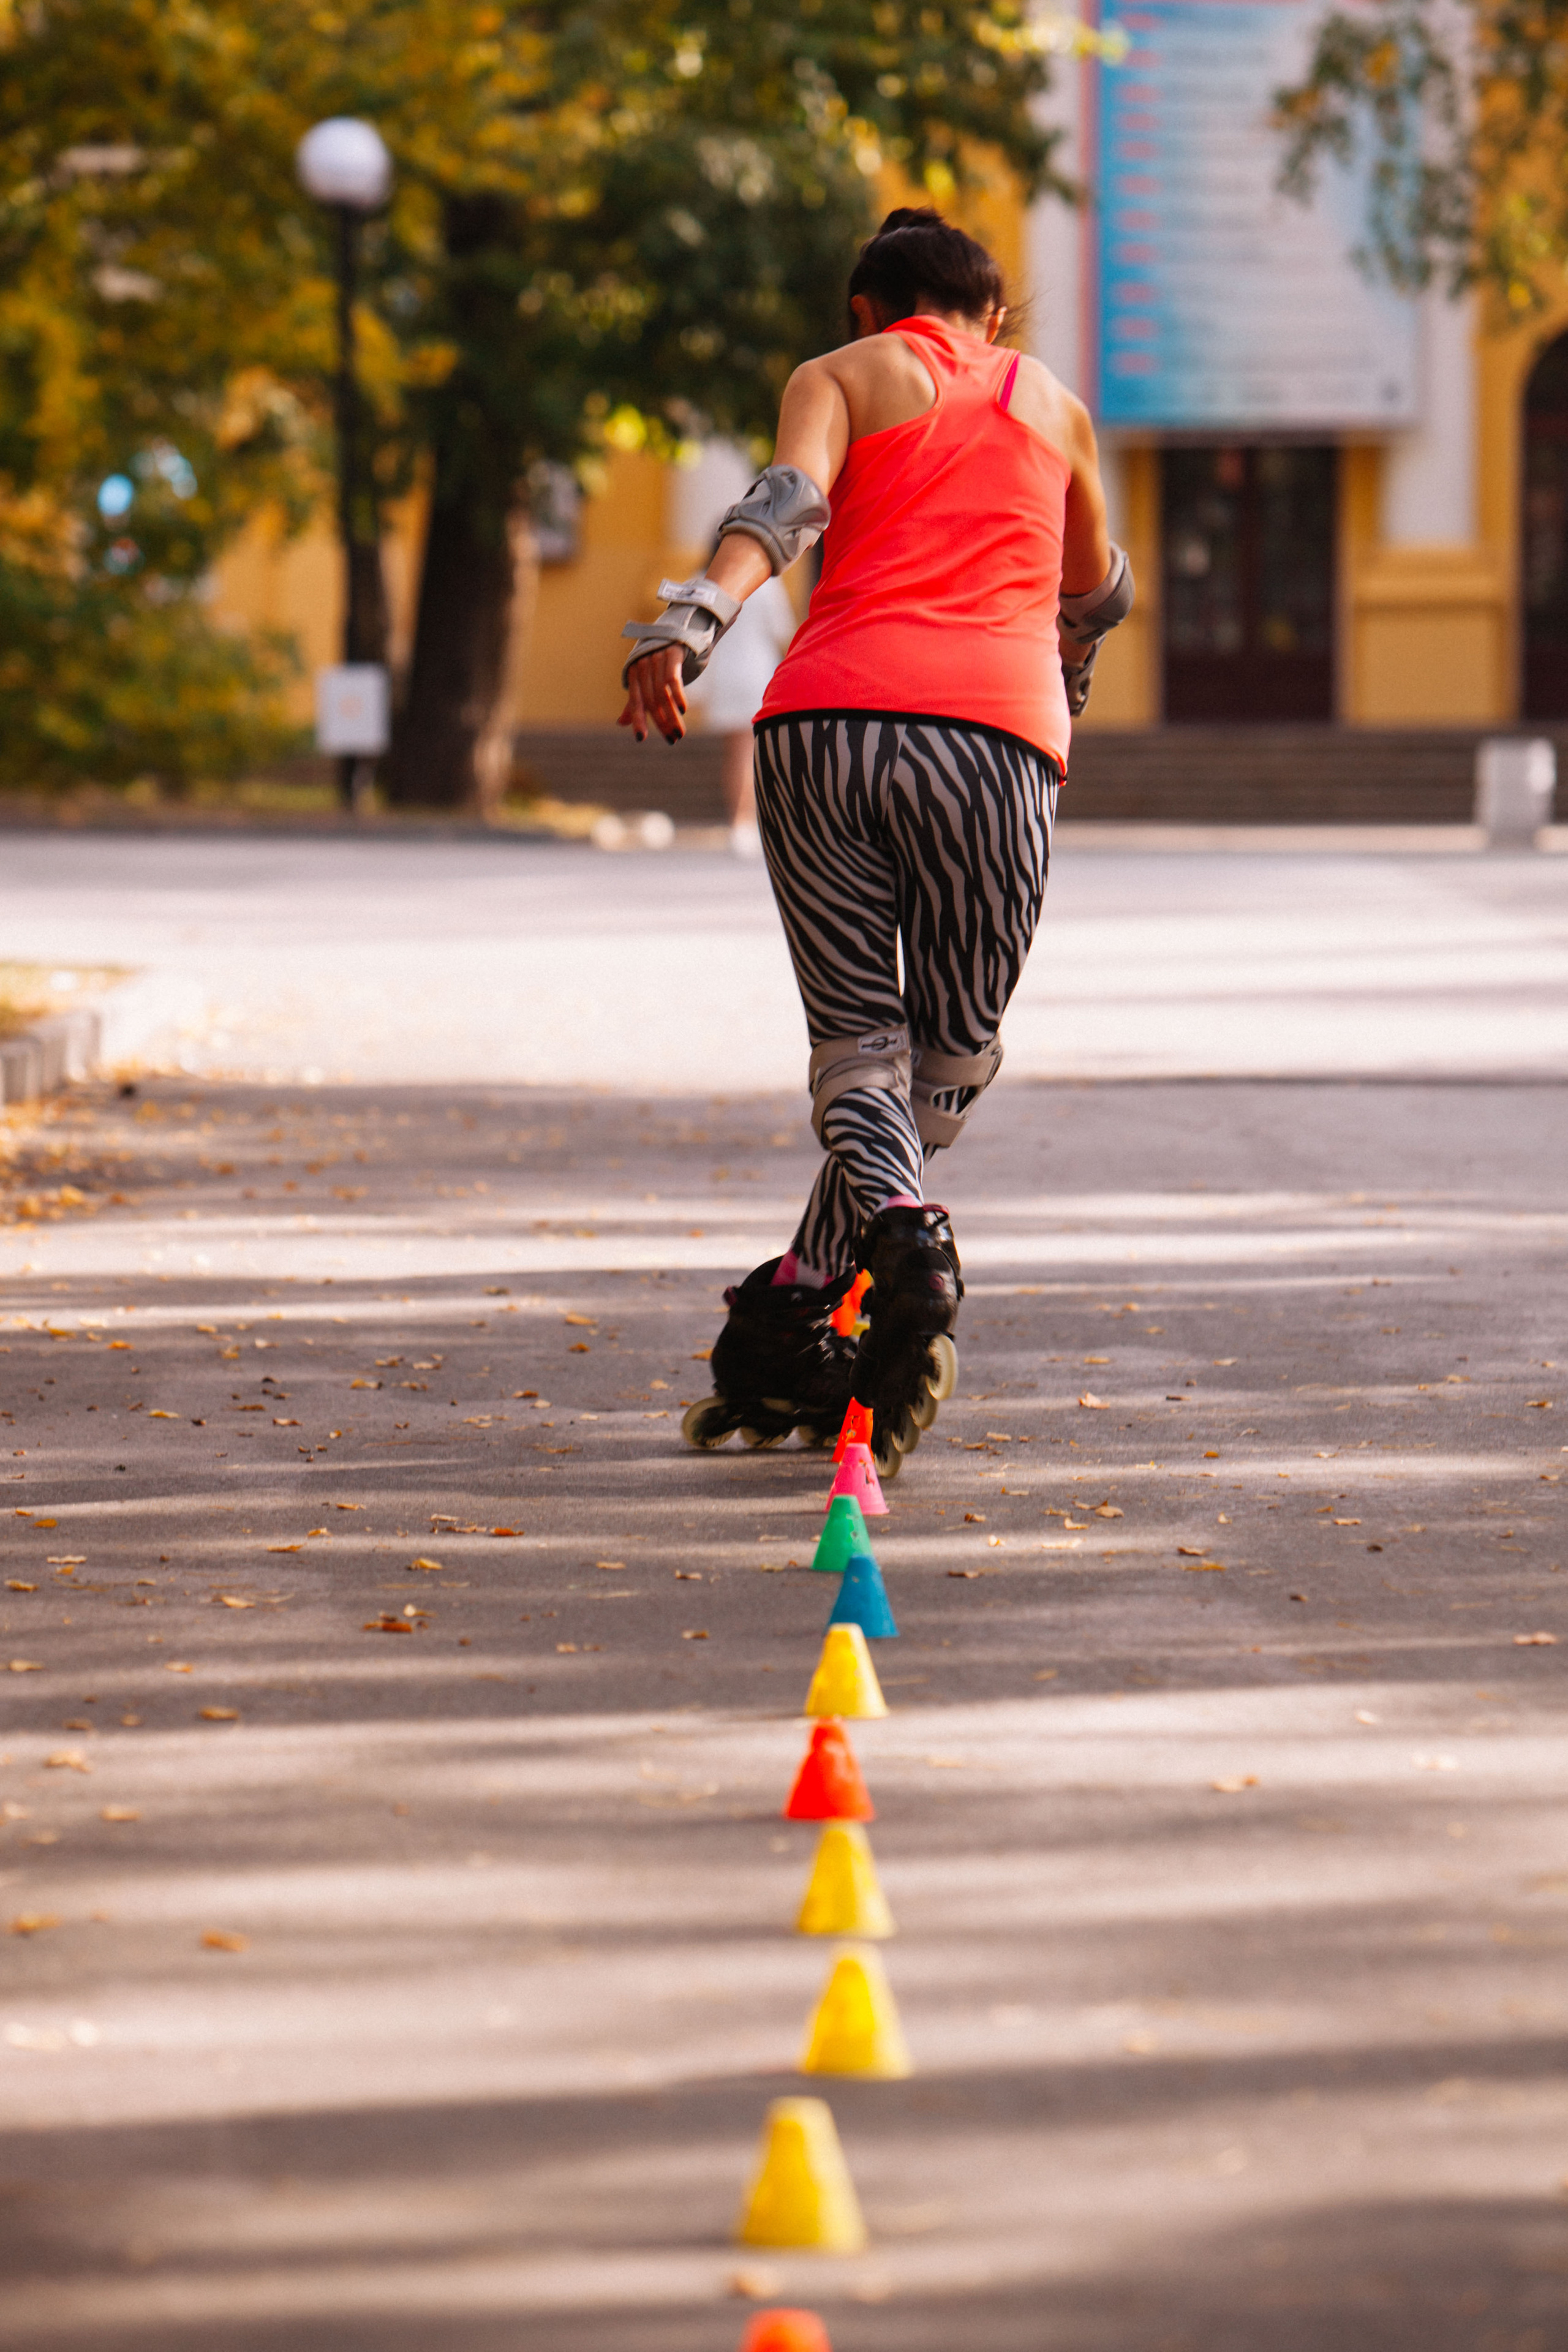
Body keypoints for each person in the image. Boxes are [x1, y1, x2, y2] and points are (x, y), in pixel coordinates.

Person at [618, 208, 1131, 1478]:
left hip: (827, 727)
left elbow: (786, 506)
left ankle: (829, 1279)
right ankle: (858, 1263)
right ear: (993, 316)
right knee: (944, 1066)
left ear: (868, 310)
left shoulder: (840, 374)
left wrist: (691, 623)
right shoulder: (1056, 407)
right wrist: (1064, 668)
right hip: (997, 747)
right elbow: (1097, 592)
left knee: (859, 1046)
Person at [685, 561, 797, 855]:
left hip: (722, 675)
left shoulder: (702, 582)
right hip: (758, 674)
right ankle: (744, 822)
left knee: (735, 753)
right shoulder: (766, 582)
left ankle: (740, 820)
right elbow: (782, 630)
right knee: (748, 752)